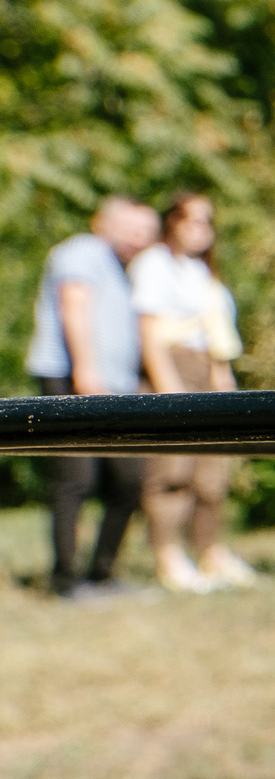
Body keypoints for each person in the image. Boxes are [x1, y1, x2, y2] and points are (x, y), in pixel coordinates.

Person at [28, 198, 156, 599]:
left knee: (129, 481)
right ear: (104, 223)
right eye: (131, 228)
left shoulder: (119, 268)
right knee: (75, 480)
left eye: (146, 231)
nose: (139, 238)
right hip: (72, 379)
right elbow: (74, 306)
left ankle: (102, 574)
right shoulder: (84, 251)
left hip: (115, 387)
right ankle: (66, 581)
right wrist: (86, 372)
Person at [133, 192, 253, 593]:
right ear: (173, 222)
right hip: (173, 368)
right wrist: (170, 391)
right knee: (173, 469)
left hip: (206, 369)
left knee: (211, 471)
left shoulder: (203, 272)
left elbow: (214, 334)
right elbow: (149, 333)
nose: (203, 229)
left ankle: (210, 550)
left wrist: (223, 378)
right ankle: (168, 556)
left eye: (208, 221)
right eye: (194, 220)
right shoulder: (154, 264)